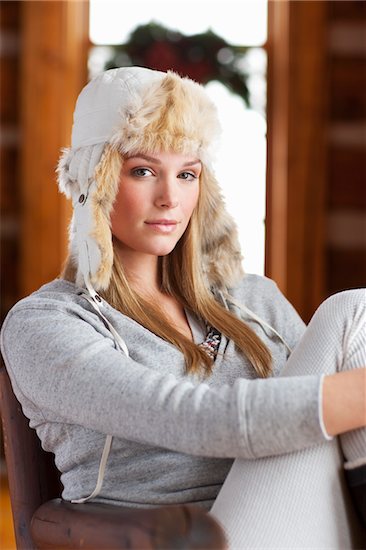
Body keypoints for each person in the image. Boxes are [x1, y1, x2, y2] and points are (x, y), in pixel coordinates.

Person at [1, 67, 365, 548]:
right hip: (189, 536)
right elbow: (200, 420)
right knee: (353, 312)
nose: (170, 197)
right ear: (97, 179)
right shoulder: (45, 324)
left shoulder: (253, 298)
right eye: (143, 171)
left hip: (319, 516)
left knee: (354, 313)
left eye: (187, 173)